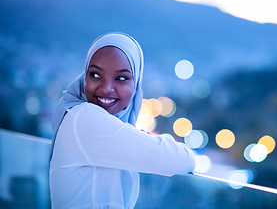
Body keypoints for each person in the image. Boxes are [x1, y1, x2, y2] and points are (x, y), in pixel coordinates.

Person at [49, 33, 196, 209]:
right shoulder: (84, 119)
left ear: (136, 84)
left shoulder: (81, 119)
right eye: (95, 75)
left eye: (121, 78)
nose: (106, 88)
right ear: (84, 77)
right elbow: (184, 160)